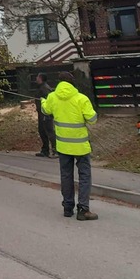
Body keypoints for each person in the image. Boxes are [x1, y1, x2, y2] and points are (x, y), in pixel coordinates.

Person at [41, 76, 99, 220]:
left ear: (59, 83)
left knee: (66, 176)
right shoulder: (81, 98)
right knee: (84, 176)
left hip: (63, 146)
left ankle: (68, 208)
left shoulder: (52, 97)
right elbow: (92, 120)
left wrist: (43, 101)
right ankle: (83, 210)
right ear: (73, 84)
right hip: (81, 147)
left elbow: (45, 110)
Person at [33, 72, 56, 158]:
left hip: (46, 113)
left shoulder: (45, 88)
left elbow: (49, 101)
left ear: (40, 78)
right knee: (42, 131)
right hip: (41, 113)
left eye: (37, 77)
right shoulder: (40, 87)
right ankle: (45, 150)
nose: (36, 78)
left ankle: (55, 150)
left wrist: (48, 112)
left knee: (49, 131)